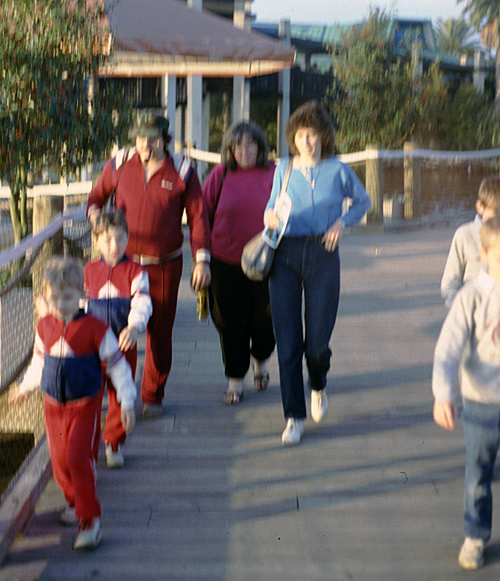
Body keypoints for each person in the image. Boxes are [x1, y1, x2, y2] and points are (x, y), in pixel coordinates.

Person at [87, 110, 211, 418]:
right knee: (114, 327)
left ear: (163, 140)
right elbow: (96, 198)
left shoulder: (183, 171)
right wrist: (97, 222)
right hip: (121, 265)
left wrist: (202, 260)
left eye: (152, 139)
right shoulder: (118, 163)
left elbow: (198, 218)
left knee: (159, 330)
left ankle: (152, 395)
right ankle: (115, 394)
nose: (144, 144)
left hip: (164, 264)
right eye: (140, 138)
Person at [9, 257, 136, 550]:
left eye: (68, 297)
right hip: (53, 404)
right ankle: (72, 501)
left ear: (82, 294)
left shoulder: (97, 329)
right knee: (60, 462)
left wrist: (127, 401)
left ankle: (89, 520)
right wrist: (26, 387)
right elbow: (39, 361)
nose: (61, 304)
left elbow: (117, 366)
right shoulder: (44, 327)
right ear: (45, 297)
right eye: (54, 298)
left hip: (84, 404)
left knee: (78, 458)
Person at [264, 100, 371, 446]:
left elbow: (363, 201)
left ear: (323, 136)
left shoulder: (338, 170)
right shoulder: (283, 169)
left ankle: (318, 384)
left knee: (318, 342)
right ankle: (293, 417)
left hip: (324, 254)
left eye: (313, 134)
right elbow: (269, 208)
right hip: (285, 255)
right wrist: (269, 218)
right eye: (301, 135)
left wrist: (342, 222)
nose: (307, 141)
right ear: (292, 138)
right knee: (288, 340)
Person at [432, 215, 500, 570]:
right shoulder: (471, 297)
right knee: (479, 473)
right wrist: (443, 393)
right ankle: (475, 534)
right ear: (485, 255)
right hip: (481, 402)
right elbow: (447, 348)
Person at [203, 121, 276, 405]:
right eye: (238, 146)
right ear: (230, 150)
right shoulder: (220, 175)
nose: (245, 150)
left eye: (251, 144)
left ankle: (260, 359)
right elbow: (202, 215)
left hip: (266, 261)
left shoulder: (273, 173)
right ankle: (235, 379)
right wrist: (202, 258)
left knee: (266, 321)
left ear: (260, 147)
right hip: (225, 261)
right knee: (229, 322)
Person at [84, 210, 152, 468]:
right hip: (92, 349)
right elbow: (80, 305)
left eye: (120, 239)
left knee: (119, 396)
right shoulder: (89, 271)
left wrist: (135, 326)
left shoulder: (136, 271)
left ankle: (113, 442)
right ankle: (88, 450)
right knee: (90, 396)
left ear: (128, 239)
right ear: (95, 241)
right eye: (107, 240)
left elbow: (142, 301)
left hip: (123, 345)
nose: (114, 246)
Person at [441, 174, 500, 308]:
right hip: (471, 314)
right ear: (480, 206)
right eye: (495, 212)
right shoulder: (464, 235)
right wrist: (462, 310)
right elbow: (449, 283)